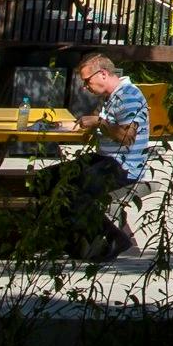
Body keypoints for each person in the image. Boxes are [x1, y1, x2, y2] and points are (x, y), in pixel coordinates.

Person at [59, 50, 152, 258]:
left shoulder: (128, 95)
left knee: (71, 191)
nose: (84, 87)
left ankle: (113, 238)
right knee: (50, 179)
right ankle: (72, 241)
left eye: (86, 81)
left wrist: (100, 123)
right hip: (105, 160)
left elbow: (127, 136)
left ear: (102, 74)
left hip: (123, 167)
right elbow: (96, 123)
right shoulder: (111, 96)